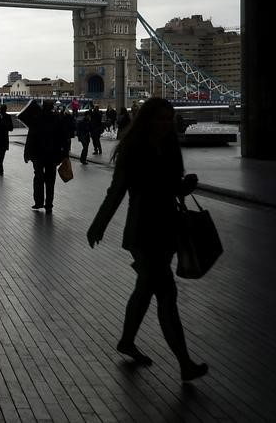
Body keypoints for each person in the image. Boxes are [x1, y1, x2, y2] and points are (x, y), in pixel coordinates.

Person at [86, 97, 207, 382]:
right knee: (167, 295)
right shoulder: (133, 149)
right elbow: (117, 190)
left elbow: (169, 188)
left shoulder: (170, 146)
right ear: (148, 119)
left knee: (144, 290)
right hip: (142, 231)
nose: (166, 123)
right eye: (161, 118)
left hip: (166, 229)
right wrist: (98, 224)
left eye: (170, 118)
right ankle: (185, 363)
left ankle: (127, 341)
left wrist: (184, 187)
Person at [24, 100, 67, 213]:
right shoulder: (57, 119)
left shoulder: (36, 119)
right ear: (52, 107)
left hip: (38, 155)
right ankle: (49, 204)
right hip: (52, 155)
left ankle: (38, 202)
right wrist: (64, 154)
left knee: (38, 178)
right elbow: (63, 138)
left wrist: (27, 153)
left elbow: (31, 138)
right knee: (50, 180)